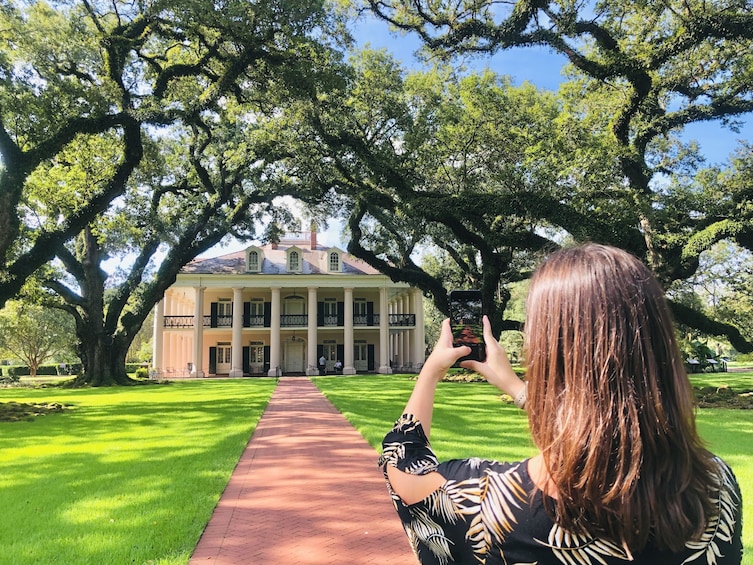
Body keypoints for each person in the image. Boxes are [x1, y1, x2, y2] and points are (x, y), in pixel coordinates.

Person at [379, 244, 743, 564]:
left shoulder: (486, 505)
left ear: (545, 354)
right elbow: (603, 426)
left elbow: (401, 458)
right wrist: (512, 386)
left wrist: (431, 371)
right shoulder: (717, 489)